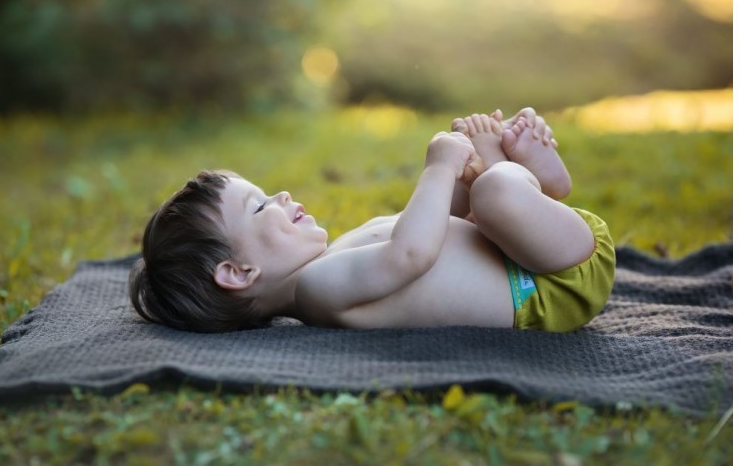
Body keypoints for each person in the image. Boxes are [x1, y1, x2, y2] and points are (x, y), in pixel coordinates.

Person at [129, 108, 615, 333]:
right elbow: (413, 253)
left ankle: (511, 178)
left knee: (484, 193)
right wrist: (439, 168)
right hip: (548, 286)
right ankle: (528, 181)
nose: (280, 195)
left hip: (528, 257)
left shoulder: (333, 261)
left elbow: (438, 229)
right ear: (238, 272)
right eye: (258, 206)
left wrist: (457, 184)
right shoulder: (318, 287)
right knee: (494, 192)